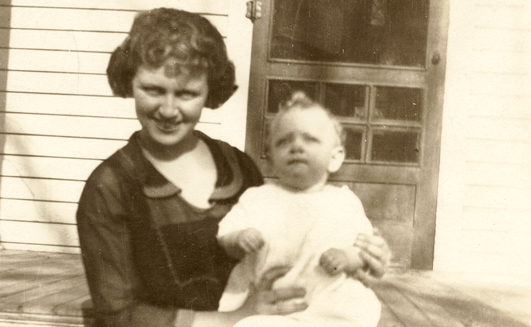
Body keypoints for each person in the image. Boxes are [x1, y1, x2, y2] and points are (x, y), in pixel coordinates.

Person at [76, 7, 390, 327]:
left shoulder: (235, 166)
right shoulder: (111, 187)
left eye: (186, 93)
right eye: (153, 90)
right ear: (130, 83)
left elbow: (288, 248)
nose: (168, 109)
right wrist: (233, 319)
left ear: (209, 91)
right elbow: (118, 314)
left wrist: (361, 260)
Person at [217, 92, 381, 327]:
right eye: (283, 141)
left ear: (334, 158)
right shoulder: (258, 198)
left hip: (331, 306)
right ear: (271, 158)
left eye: (310, 139)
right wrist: (239, 237)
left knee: (356, 310)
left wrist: (345, 257)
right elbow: (226, 233)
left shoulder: (344, 202)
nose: (296, 146)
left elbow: (361, 250)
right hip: (272, 307)